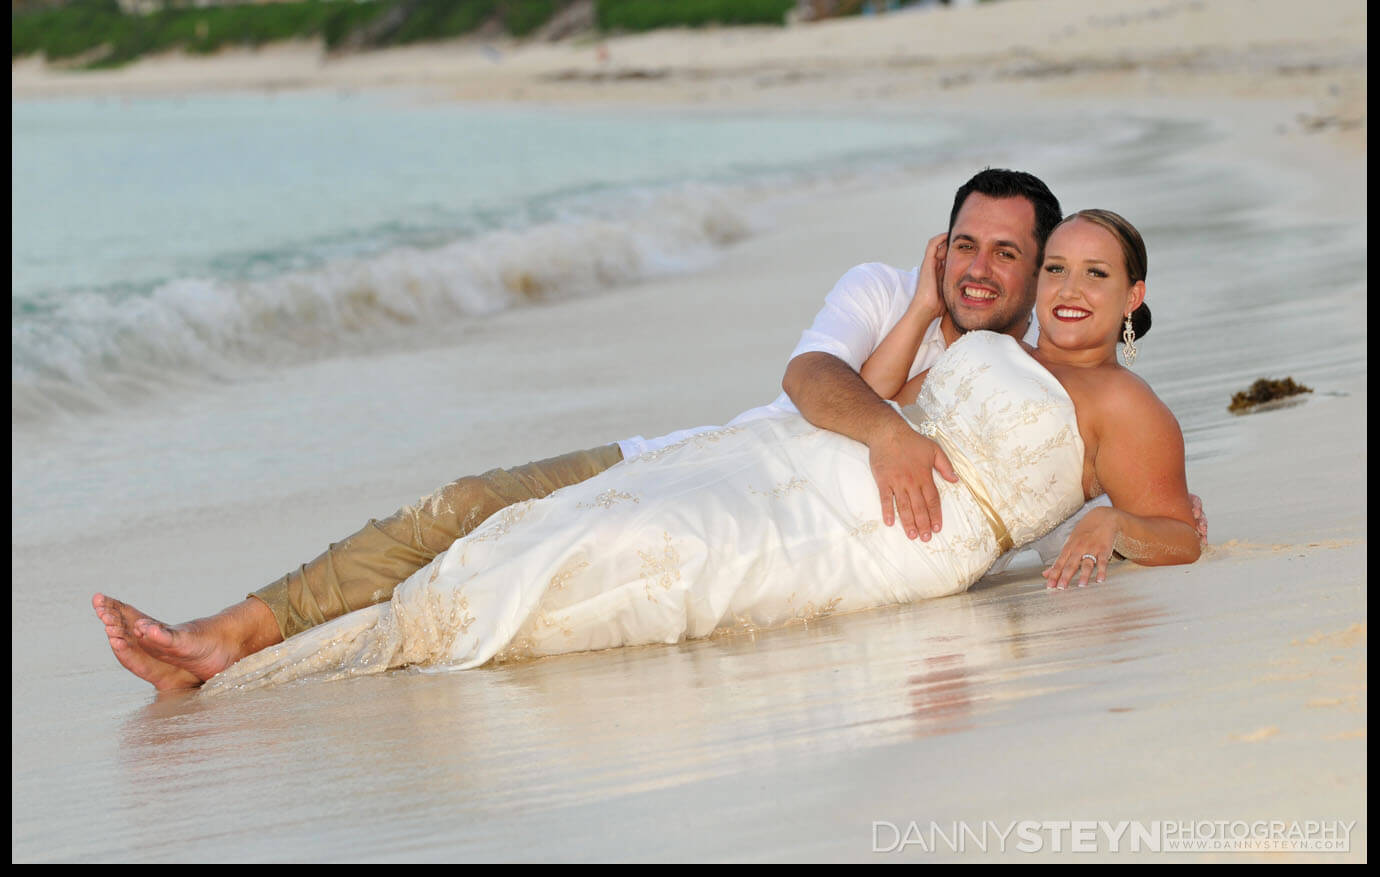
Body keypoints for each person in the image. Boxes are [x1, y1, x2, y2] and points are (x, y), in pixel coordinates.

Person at [93, 169, 1206, 689]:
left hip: (831, 529)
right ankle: (233, 631)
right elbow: (816, 379)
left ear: (1113, 289)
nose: (992, 269)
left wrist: (1110, 517)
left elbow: (1162, 510)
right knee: (466, 510)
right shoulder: (901, 296)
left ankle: (293, 654)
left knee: (550, 568)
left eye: (1021, 256)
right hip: (717, 451)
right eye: (971, 245)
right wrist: (912, 341)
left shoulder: (1027, 351)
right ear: (940, 242)